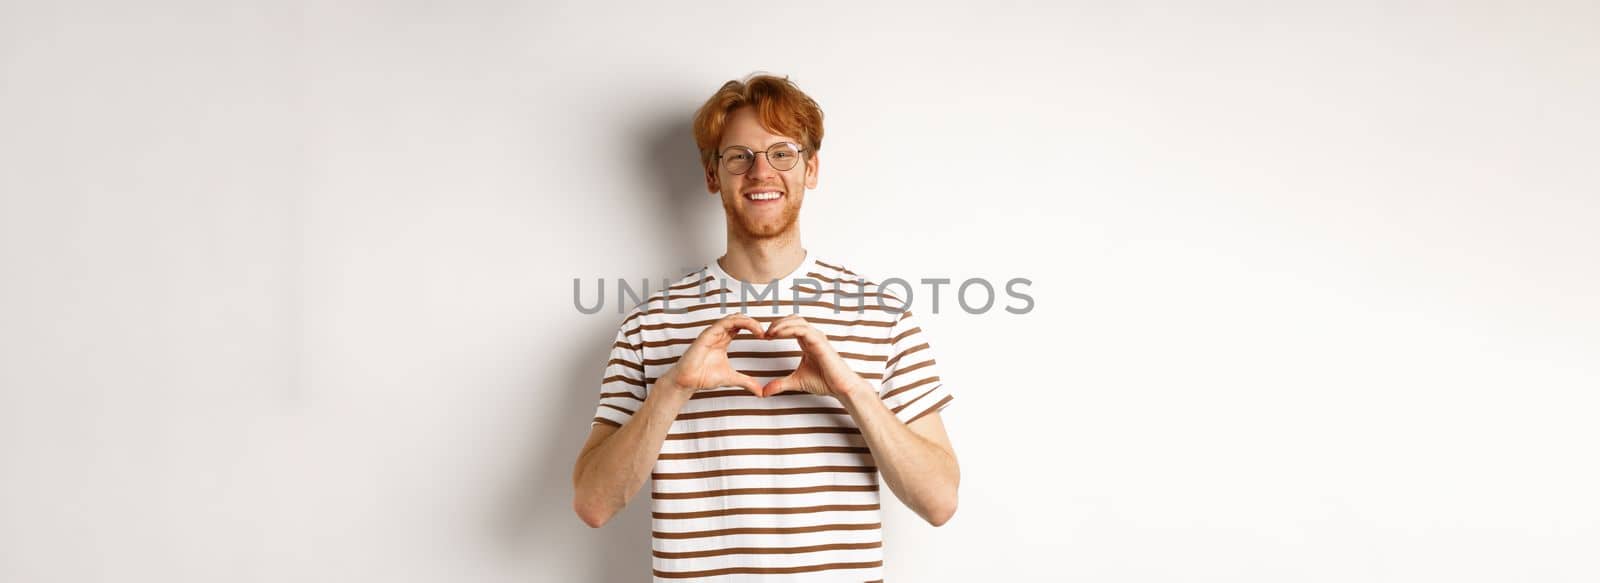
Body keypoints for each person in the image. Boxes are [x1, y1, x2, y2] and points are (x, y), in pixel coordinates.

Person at [571, 73, 959, 581]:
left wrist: (851, 390)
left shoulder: (882, 315)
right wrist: (674, 388)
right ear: (713, 175)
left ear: (810, 168)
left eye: (782, 153)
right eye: (739, 156)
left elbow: (939, 501)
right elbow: (593, 504)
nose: (761, 171)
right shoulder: (649, 325)